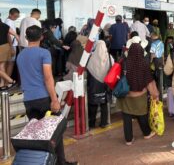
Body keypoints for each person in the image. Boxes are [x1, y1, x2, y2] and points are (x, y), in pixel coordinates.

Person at [16, 25, 77, 165]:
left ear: (26, 37)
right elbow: (48, 77)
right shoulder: (44, 53)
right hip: (43, 98)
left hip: (28, 100)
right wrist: (55, 99)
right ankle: (60, 162)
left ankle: (42, 162)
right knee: (55, 132)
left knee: (38, 135)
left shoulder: (21, 55)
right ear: (41, 37)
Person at [117, 43, 158, 145]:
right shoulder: (144, 63)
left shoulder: (124, 63)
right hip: (140, 94)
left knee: (126, 117)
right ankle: (147, 133)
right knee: (142, 114)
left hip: (126, 94)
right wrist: (154, 94)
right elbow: (148, 80)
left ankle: (128, 140)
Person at [87, 41, 114, 128]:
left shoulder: (91, 57)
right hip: (105, 84)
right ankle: (103, 123)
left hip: (94, 84)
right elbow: (113, 68)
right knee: (104, 103)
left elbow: (87, 68)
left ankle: (91, 123)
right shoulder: (109, 57)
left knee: (93, 104)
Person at [0, 20, 19, 89]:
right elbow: (14, 34)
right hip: (5, 47)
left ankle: (11, 81)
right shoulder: (4, 25)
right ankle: (2, 85)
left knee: (1, 67)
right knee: (2, 67)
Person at [4, 8, 20, 81]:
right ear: (10, 14)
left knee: (7, 64)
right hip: (11, 45)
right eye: (15, 16)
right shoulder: (9, 22)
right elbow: (8, 35)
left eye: (17, 16)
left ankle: (5, 82)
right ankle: (7, 82)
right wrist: (12, 48)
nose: (16, 18)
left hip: (9, 45)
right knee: (10, 64)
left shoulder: (8, 21)